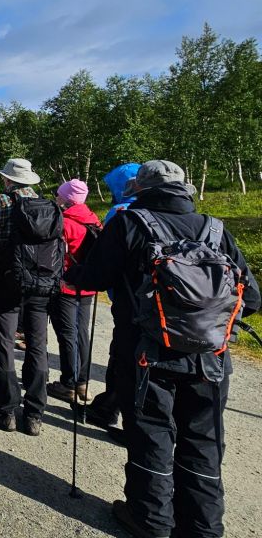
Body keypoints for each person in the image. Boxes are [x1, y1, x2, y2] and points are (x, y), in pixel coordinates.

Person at [79, 161, 259, 538]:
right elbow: (253, 299)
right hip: (211, 358)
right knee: (203, 441)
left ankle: (151, 521)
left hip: (147, 354)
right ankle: (203, 528)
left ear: (139, 189)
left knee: (152, 435)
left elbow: (91, 278)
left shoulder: (128, 223)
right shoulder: (215, 229)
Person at [0, 157, 62, 436]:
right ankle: (35, 414)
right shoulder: (49, 205)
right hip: (41, 285)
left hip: (6, 283)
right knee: (37, 346)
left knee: (3, 345)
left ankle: (6, 410)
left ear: (7, 179)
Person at [85, 162, 142, 432]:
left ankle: (110, 410)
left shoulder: (120, 213)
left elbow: (106, 259)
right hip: (167, 302)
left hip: (128, 297)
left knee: (123, 355)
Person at [46, 179, 102, 403]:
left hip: (66, 285)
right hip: (86, 285)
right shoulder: (93, 219)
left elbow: (55, 256)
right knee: (81, 333)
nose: (56, 197)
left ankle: (68, 384)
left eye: (59, 195)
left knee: (67, 335)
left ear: (67, 199)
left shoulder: (64, 222)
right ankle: (83, 382)